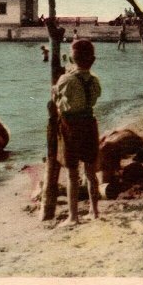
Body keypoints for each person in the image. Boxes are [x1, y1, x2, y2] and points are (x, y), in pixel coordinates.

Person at [53, 39, 102, 226]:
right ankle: (94, 210)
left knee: (72, 173)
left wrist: (56, 94)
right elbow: (94, 98)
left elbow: (60, 101)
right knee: (90, 171)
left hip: (71, 126)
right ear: (93, 60)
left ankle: (73, 216)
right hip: (89, 123)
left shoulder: (66, 79)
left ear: (72, 58)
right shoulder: (95, 81)